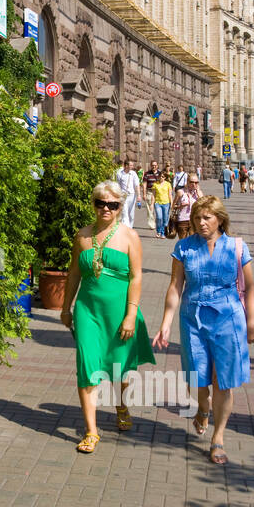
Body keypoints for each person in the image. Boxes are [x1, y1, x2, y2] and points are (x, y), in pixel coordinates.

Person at [154, 195, 254, 464]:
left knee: (224, 380)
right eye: (197, 217)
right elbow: (176, 286)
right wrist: (165, 323)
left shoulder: (236, 246)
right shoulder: (184, 247)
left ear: (220, 219)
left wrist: (252, 319)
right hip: (193, 319)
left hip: (229, 318)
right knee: (197, 378)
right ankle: (203, 408)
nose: (200, 222)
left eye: (207, 218)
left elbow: (250, 286)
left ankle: (218, 437)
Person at [58, 181, 154, 454]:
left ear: (120, 207)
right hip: (88, 311)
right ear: (93, 204)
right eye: (101, 203)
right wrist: (66, 308)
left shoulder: (129, 236)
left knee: (118, 367)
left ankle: (121, 405)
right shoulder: (82, 236)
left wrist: (131, 313)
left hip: (119, 310)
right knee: (88, 366)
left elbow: (136, 276)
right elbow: (74, 273)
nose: (106, 209)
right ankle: (91, 431)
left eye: (112, 205)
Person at [114, 159, 141, 229]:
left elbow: (137, 185)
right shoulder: (119, 173)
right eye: (131, 165)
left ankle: (130, 228)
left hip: (132, 195)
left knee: (131, 214)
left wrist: (139, 196)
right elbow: (118, 185)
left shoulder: (133, 173)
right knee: (124, 213)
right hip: (123, 195)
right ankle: (126, 229)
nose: (132, 166)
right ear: (126, 166)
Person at [151, 170, 173, 238]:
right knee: (159, 217)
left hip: (166, 203)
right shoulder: (155, 184)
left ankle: (163, 233)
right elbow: (153, 195)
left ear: (165, 177)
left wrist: (171, 203)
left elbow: (170, 195)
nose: (161, 178)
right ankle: (158, 231)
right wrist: (152, 204)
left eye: (163, 177)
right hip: (158, 203)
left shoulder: (168, 184)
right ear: (158, 177)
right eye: (160, 176)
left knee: (165, 219)